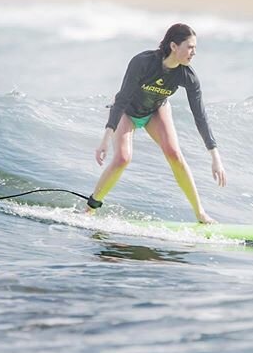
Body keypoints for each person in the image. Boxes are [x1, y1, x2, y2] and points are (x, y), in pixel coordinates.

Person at [87, 23, 226, 224]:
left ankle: (200, 214)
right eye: (190, 47)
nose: (194, 53)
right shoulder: (143, 62)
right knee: (123, 158)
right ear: (173, 46)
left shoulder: (188, 76)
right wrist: (105, 139)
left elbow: (200, 116)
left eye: (195, 48)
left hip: (156, 111)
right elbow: (122, 98)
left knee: (175, 154)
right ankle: (91, 208)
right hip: (128, 111)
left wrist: (215, 157)